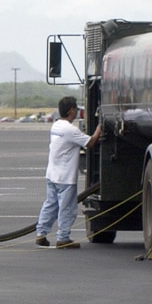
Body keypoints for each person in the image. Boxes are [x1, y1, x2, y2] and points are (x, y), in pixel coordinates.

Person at [35, 96, 101, 249]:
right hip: (65, 177)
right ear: (71, 110)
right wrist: (99, 129)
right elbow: (90, 142)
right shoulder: (70, 130)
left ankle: (41, 233)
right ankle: (63, 237)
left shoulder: (56, 126)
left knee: (50, 204)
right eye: (76, 109)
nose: (77, 112)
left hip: (52, 174)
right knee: (67, 208)